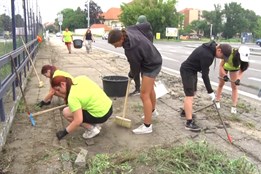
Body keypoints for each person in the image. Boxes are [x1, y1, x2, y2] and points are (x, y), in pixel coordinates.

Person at [107, 22, 162, 135]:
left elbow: (135, 68)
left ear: (121, 39)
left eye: (115, 44)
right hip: (153, 58)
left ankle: (147, 126)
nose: (115, 46)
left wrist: (131, 75)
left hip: (150, 64)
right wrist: (147, 43)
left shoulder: (130, 49)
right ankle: (153, 111)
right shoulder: (129, 29)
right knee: (149, 89)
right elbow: (146, 25)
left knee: (144, 94)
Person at [180, 41, 232, 132]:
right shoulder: (207, 55)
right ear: (219, 50)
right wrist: (210, 91)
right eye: (222, 56)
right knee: (189, 96)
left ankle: (185, 112)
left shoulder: (211, 48)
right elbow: (205, 75)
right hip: (187, 70)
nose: (222, 58)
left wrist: (210, 91)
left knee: (193, 92)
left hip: (193, 71)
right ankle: (189, 123)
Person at [52, 75, 113, 140]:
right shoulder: (81, 78)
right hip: (109, 107)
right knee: (79, 108)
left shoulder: (72, 97)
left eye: (58, 89)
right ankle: (95, 124)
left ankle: (92, 129)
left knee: (66, 112)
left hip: (101, 116)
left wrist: (64, 132)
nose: (59, 92)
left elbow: (78, 120)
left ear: (63, 84)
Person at [215, 46, 250, 114]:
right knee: (221, 84)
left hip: (234, 69)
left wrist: (238, 79)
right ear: (238, 54)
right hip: (224, 67)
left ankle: (234, 106)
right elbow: (221, 66)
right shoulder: (229, 53)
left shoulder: (245, 60)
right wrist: (225, 75)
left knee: (234, 87)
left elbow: (242, 70)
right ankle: (217, 101)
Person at [129, 15, 154, 96]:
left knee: (138, 72)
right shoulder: (148, 32)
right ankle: (142, 89)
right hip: (146, 56)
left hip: (141, 56)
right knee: (142, 73)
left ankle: (140, 89)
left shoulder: (142, 33)